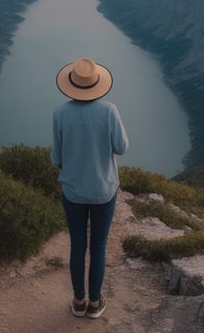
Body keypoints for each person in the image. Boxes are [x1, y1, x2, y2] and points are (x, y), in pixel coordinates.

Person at [51, 57, 129, 319]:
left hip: (73, 191)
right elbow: (121, 147)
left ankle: (79, 302)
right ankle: (95, 304)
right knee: (98, 247)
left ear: (71, 84)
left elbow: (56, 158)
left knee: (77, 246)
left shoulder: (60, 113)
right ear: (97, 84)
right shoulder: (109, 111)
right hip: (103, 191)